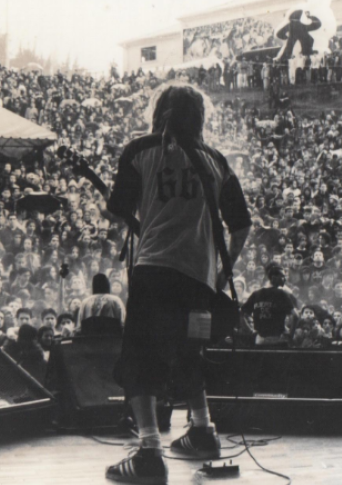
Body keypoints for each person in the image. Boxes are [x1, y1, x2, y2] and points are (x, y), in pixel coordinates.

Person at [104, 84, 252, 484]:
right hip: (199, 281)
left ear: (160, 113)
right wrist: (220, 274)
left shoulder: (140, 150)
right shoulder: (216, 161)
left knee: (140, 357)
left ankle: (150, 452)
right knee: (190, 353)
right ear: (199, 118)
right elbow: (241, 226)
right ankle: (203, 432)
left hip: (154, 272)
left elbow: (116, 209)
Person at [242, 264, 298, 347]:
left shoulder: (256, 294)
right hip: (278, 340)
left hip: (260, 341)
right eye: (282, 276)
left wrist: (251, 331)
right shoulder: (282, 294)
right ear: (273, 278)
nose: (284, 279)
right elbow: (296, 316)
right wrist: (290, 335)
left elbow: (241, 314)